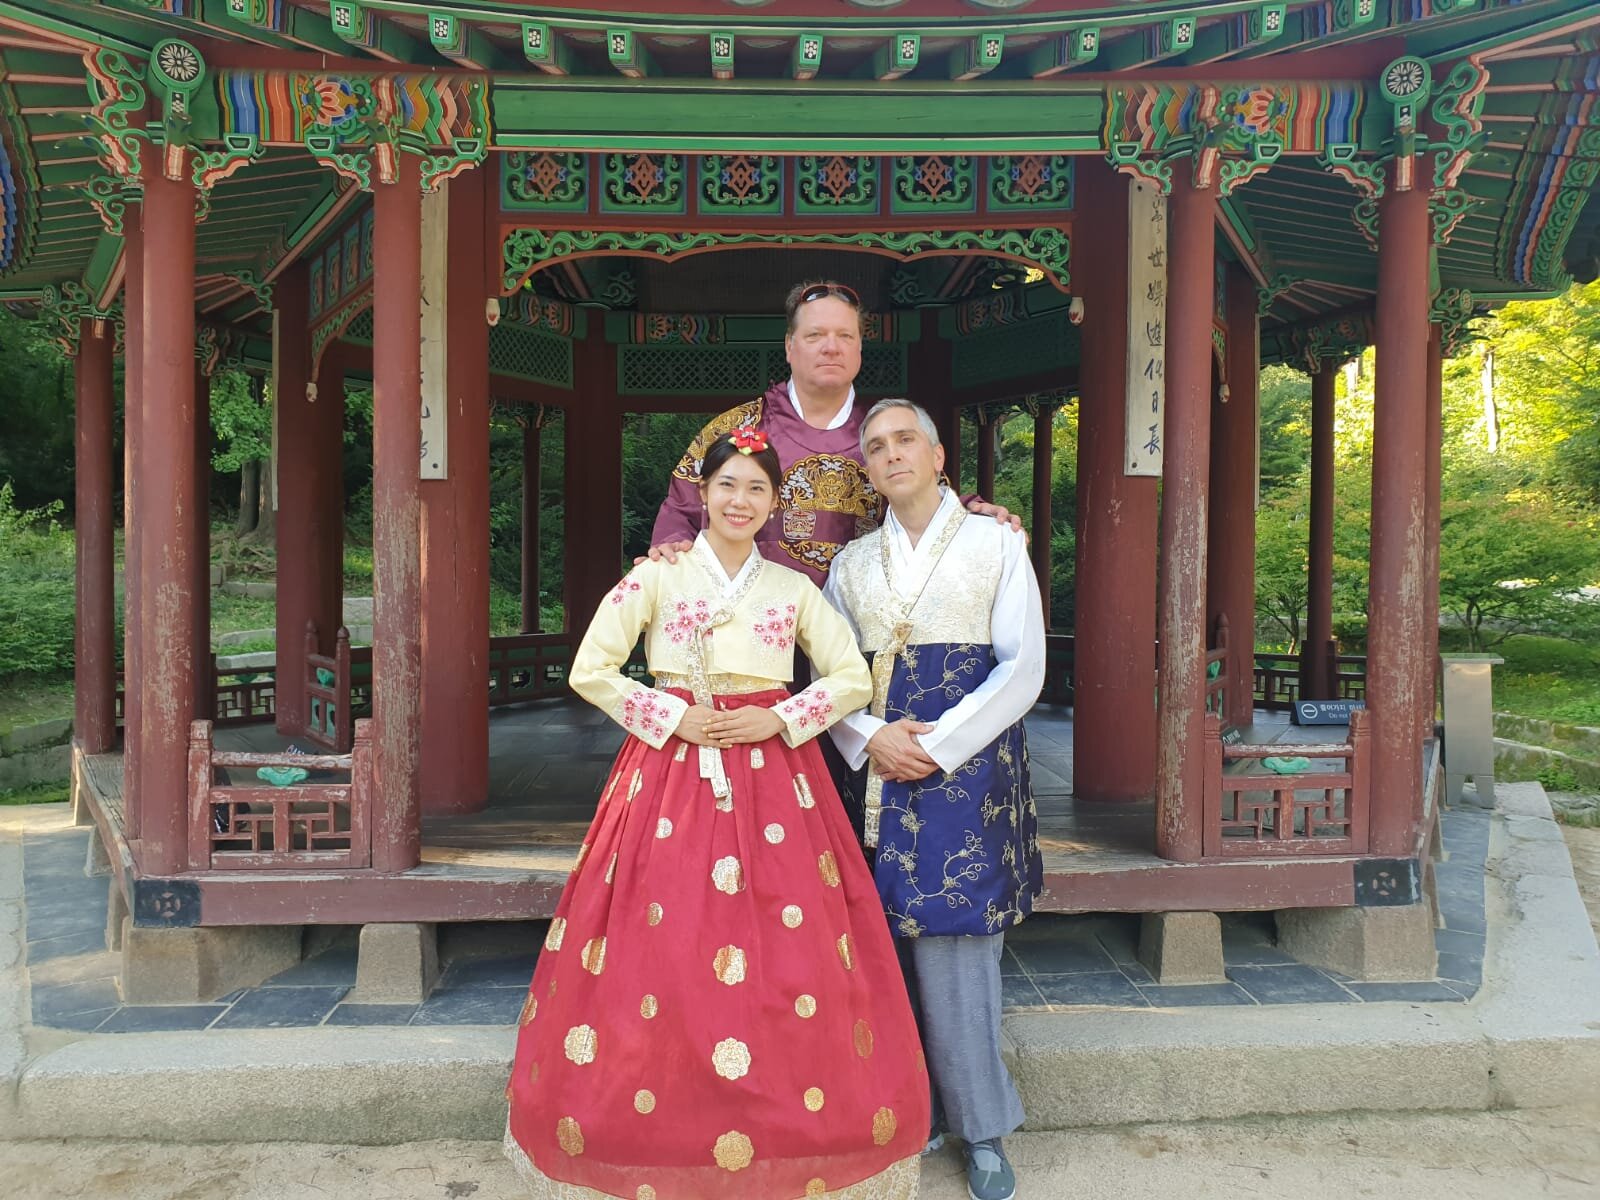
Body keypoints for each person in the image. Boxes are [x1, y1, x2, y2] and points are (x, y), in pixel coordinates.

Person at [505, 429, 929, 1200]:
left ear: (774, 504)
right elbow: (590, 668)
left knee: (784, 935)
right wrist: (666, 713)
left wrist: (781, 717)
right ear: (704, 494)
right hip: (669, 774)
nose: (741, 501)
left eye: (758, 490)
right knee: (663, 932)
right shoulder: (656, 579)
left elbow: (851, 678)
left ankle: (786, 1123)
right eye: (729, 485)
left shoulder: (793, 589)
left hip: (776, 778)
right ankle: (655, 1120)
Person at [823, 398, 1046, 1200]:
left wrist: (939, 743)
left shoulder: (995, 542)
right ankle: (906, 1111)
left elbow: (1022, 666)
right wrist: (868, 733)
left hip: (969, 772)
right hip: (876, 771)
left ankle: (983, 1129)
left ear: (939, 452)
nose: (891, 455)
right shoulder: (850, 567)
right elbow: (831, 673)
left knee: (956, 946)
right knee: (878, 950)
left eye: (905, 439)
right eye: (875, 446)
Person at [647, 280, 1017, 584]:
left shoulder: (883, 436)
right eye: (815, 335)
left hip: (859, 639)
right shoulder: (736, 429)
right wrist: (672, 546)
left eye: (845, 336)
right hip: (751, 635)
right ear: (789, 347)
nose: (831, 347)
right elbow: (681, 510)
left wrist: (970, 511)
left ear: (859, 349)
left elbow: (928, 505)